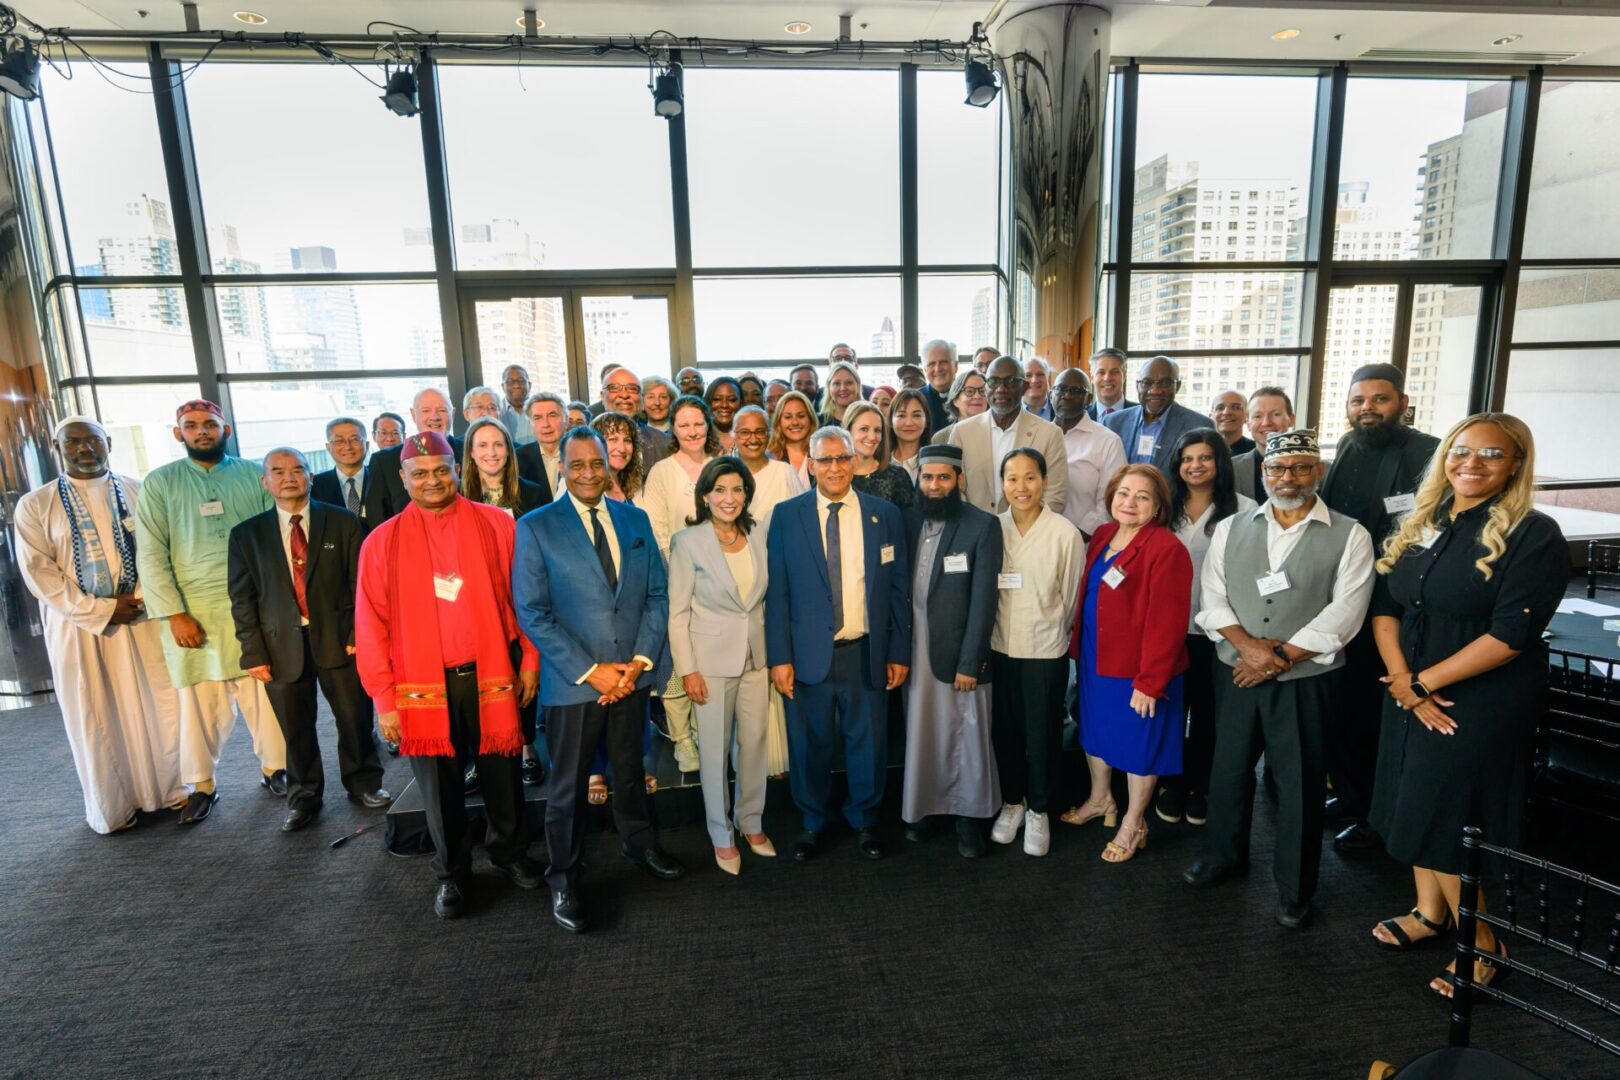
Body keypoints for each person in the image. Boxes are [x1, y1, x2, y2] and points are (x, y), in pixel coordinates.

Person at [1366, 413, 1565, 997]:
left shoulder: (1533, 533)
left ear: (1516, 465)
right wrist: (1405, 680)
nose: (1471, 464)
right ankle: (1430, 913)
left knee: (1446, 814)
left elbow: (1509, 637)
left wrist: (1422, 685)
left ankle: (1485, 944)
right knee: (1410, 798)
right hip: (1412, 686)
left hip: (1479, 698)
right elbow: (1386, 607)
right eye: (1461, 450)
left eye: (1491, 455)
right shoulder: (1423, 520)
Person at [1182, 430, 1375, 930]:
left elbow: (1346, 614)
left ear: (1319, 472)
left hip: (1306, 680)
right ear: (1263, 473)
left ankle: (1295, 885)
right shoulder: (1232, 527)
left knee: (1301, 783)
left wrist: (1279, 657)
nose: (1287, 478)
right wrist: (1248, 649)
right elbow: (1213, 598)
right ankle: (1225, 855)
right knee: (1227, 770)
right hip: (1236, 672)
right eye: (1277, 469)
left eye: (1300, 468)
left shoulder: (1350, 534)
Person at [356, 432, 541, 919]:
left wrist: (531, 660)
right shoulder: (381, 542)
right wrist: (384, 700)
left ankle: (509, 853)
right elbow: (370, 626)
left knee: (503, 777)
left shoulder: (497, 523)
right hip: (422, 688)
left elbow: (525, 599)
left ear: (457, 470)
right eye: (420, 473)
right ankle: (453, 874)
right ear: (403, 478)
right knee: (439, 791)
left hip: (492, 672)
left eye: (441, 469)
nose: (432, 480)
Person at [515, 426, 683, 932]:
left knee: (630, 772)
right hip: (575, 684)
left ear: (609, 465)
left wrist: (636, 663)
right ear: (562, 467)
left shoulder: (634, 519)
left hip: (632, 679)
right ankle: (563, 877)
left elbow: (657, 595)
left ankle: (639, 844)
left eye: (597, 463)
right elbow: (532, 612)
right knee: (566, 787)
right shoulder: (537, 526)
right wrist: (593, 672)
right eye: (578, 464)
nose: (589, 473)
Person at [16, 417, 183, 834]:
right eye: (72, 442)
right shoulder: (36, 505)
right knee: (94, 712)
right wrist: (101, 610)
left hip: (139, 618)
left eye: (92, 440)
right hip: (78, 628)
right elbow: (40, 574)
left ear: (109, 443)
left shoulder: (139, 490)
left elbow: (160, 549)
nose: (84, 448)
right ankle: (115, 805)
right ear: (58, 449)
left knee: (155, 701)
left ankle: (170, 791)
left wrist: (139, 598)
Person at [135, 400, 285, 825]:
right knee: (199, 703)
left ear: (226, 430)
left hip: (251, 607)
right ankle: (201, 785)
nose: (202, 432)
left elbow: (271, 538)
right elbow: (150, 553)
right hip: (191, 613)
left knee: (262, 693)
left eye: (210, 425)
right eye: (192, 426)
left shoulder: (252, 474)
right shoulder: (160, 483)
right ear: (177, 433)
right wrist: (173, 613)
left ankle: (276, 768)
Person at [766, 425, 910, 862]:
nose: (834, 467)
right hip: (807, 656)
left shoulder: (883, 514)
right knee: (809, 745)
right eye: (824, 459)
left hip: (865, 652)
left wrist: (898, 651)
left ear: (854, 462)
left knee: (868, 743)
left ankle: (865, 820)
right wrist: (779, 657)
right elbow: (777, 593)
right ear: (810, 465)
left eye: (841, 458)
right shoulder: (786, 515)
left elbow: (898, 588)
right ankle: (812, 822)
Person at [228, 448, 388, 833]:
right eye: (278, 472)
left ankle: (364, 784)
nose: (289, 478)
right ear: (264, 481)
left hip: (340, 640)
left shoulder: (343, 522)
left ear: (310, 476)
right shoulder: (247, 535)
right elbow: (242, 598)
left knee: (354, 717)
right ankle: (303, 798)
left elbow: (360, 583)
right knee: (295, 727)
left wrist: (357, 633)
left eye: (297, 469)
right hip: (279, 645)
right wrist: (252, 650)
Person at [1318, 363, 1442, 853]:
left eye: (1379, 400)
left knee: (1380, 715)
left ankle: (1379, 817)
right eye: (1358, 401)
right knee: (1344, 706)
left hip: (1394, 602)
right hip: (1345, 594)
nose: (1367, 409)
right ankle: (1351, 797)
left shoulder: (1429, 452)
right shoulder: (1348, 445)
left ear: (1402, 403)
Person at [1070, 464, 1193, 863]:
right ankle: (1100, 799)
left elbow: (1168, 623)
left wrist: (1150, 681)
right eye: (1123, 493)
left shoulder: (1165, 548)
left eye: (1142, 497)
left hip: (1139, 671)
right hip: (1095, 658)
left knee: (1140, 746)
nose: (1130, 502)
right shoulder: (1104, 535)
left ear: (1158, 507)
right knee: (1096, 733)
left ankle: (1133, 823)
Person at [668, 458, 774, 875]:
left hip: (756, 658)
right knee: (713, 751)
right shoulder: (688, 541)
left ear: (747, 493)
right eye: (720, 490)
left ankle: (751, 822)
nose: (729, 498)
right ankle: (721, 834)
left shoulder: (762, 532)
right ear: (706, 495)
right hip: (709, 663)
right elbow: (678, 614)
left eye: (737, 489)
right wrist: (688, 670)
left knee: (754, 744)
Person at [900, 444, 1003, 858]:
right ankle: (923, 807)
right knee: (922, 732)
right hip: (915, 650)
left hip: (960, 654)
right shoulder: (907, 521)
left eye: (944, 477)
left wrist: (970, 662)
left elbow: (984, 602)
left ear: (960, 480)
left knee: (967, 735)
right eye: (928, 477)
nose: (935, 485)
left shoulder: (982, 525)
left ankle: (968, 818)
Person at [987, 448, 1083, 857]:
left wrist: (1055, 633)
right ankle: (1013, 802)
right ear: (1002, 483)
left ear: (1044, 481)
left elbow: (1073, 595)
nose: (1020, 487)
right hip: (1000, 648)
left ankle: (1040, 808)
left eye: (1030, 478)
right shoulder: (993, 528)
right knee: (1005, 731)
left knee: (1042, 731)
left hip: (1045, 648)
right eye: (1012, 478)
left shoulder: (1064, 532)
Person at [1158, 429, 1254, 827]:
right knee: (1171, 709)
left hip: (1221, 632)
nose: (1195, 466)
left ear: (1220, 463)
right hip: (1170, 629)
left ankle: (1201, 784)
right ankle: (1172, 780)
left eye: (1205, 458)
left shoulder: (1245, 509)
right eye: (1187, 459)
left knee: (1209, 711)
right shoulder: (1163, 509)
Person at [643, 395, 722, 774]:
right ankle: (683, 740)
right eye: (684, 425)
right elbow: (656, 528)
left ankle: (706, 733)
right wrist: (680, 573)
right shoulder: (661, 471)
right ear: (673, 429)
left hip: (720, 583)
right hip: (675, 577)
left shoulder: (722, 465)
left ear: (708, 424)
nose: (692, 431)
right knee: (676, 661)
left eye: (698, 423)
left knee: (708, 661)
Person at [945, 356, 1068, 516]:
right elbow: (952, 486)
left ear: (1024, 386)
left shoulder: (1050, 434)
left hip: (1028, 535)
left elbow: (1055, 497)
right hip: (974, 533)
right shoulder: (962, 432)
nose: (1001, 388)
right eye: (993, 381)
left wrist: (1021, 529)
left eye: (1010, 381)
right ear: (986, 388)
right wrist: (975, 529)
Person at [1051, 367, 1127, 541]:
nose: (1067, 395)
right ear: (1051, 394)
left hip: (1086, 545)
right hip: (1038, 543)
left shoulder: (1108, 441)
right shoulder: (1038, 435)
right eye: (1061, 389)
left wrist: (1073, 539)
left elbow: (1110, 503)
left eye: (1076, 391)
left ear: (1089, 399)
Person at [1103, 356, 1208, 477]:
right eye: (1147, 382)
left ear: (1177, 386)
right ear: (1137, 386)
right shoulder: (1112, 423)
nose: (1155, 390)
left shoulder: (1199, 426)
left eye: (1165, 383)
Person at [372, 387, 464, 521]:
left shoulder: (472, 451)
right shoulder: (385, 461)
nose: (435, 417)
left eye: (442, 410)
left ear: (453, 413)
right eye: (426, 410)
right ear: (413, 415)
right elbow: (377, 517)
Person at [731, 404, 804, 529]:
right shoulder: (722, 472)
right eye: (745, 432)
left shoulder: (784, 472)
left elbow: (802, 516)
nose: (753, 439)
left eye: (760, 432)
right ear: (734, 436)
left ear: (769, 435)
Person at [462, 418, 548, 518]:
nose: (492, 453)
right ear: (471, 451)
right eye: (483, 445)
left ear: (508, 450)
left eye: (498, 445)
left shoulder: (532, 493)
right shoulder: (457, 494)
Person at [845, 400, 915, 510]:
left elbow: (909, 523)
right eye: (864, 429)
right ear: (848, 431)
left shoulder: (897, 475)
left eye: (877, 430)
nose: (872, 437)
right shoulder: (836, 475)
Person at [311, 416, 374, 532]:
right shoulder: (314, 485)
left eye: (355, 439)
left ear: (367, 445)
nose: (348, 447)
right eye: (339, 441)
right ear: (328, 448)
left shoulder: (381, 478)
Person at [1233, 387, 1296, 502]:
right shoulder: (1232, 469)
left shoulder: (1316, 469)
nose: (1266, 422)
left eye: (1276, 414)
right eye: (1258, 416)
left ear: (1291, 419)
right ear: (1248, 424)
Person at [515, 391, 565, 501]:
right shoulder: (517, 459)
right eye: (537, 418)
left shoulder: (579, 454)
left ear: (565, 419)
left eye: (552, 415)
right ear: (530, 423)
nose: (546, 424)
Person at [593, 411, 649, 506]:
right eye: (613, 439)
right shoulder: (582, 484)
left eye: (627, 440)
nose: (622, 449)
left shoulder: (634, 485)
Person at [768, 389, 817, 488]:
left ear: (810, 419)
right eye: (788, 417)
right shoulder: (768, 457)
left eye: (801, 416)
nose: (795, 422)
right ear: (779, 421)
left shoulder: (821, 454)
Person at [930, 368, 988, 445]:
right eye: (969, 391)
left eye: (982, 391)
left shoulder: (996, 433)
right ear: (955, 399)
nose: (977, 396)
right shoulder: (941, 438)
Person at [888, 387, 933, 482]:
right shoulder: (880, 460)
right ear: (890, 421)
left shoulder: (935, 462)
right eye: (901, 415)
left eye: (916, 415)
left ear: (926, 421)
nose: (909, 423)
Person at [920, 338, 958, 432]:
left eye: (943, 362)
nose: (938, 369)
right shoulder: (917, 399)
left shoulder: (970, 396)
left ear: (956, 366)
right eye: (931, 364)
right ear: (925, 370)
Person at [1087, 348, 1136, 420]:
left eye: (1114, 372)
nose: (1107, 378)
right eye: (1101, 372)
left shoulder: (1142, 414)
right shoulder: (1081, 417)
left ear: (1124, 375)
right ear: (1092, 378)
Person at [704, 376, 742, 453]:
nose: (724, 405)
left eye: (732, 400)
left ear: (741, 403)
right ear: (707, 402)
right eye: (717, 399)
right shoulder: (699, 439)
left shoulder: (751, 438)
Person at [820, 361, 865, 427]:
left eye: (849, 383)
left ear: (858, 386)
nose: (843, 388)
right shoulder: (818, 422)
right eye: (837, 383)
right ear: (829, 388)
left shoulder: (868, 419)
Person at [499, 364, 535, 444]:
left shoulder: (541, 410)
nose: (516, 385)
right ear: (502, 387)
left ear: (529, 385)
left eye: (521, 381)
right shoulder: (496, 413)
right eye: (509, 382)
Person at [1210, 390, 1253, 455]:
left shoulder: (1258, 452)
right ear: (1211, 416)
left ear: (1247, 416)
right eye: (1220, 408)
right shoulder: (1199, 450)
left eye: (1236, 407)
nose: (1227, 412)